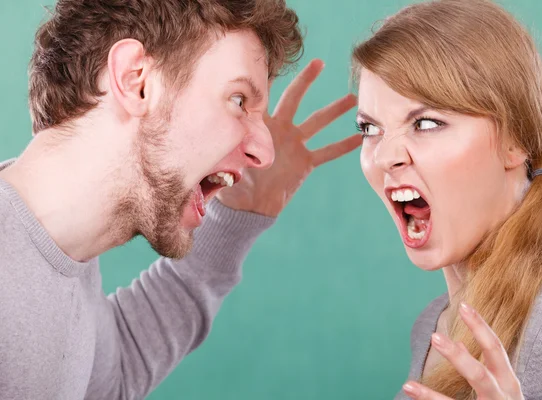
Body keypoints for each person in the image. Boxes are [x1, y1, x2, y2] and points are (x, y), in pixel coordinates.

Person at [0, 0, 361, 398]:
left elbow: (107, 378)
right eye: (239, 100)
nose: (266, 150)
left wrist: (236, 221)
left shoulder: (59, 255)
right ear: (136, 80)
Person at [349, 0, 542, 399]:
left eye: (426, 123)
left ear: (516, 141)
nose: (384, 156)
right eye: (370, 127)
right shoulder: (433, 326)